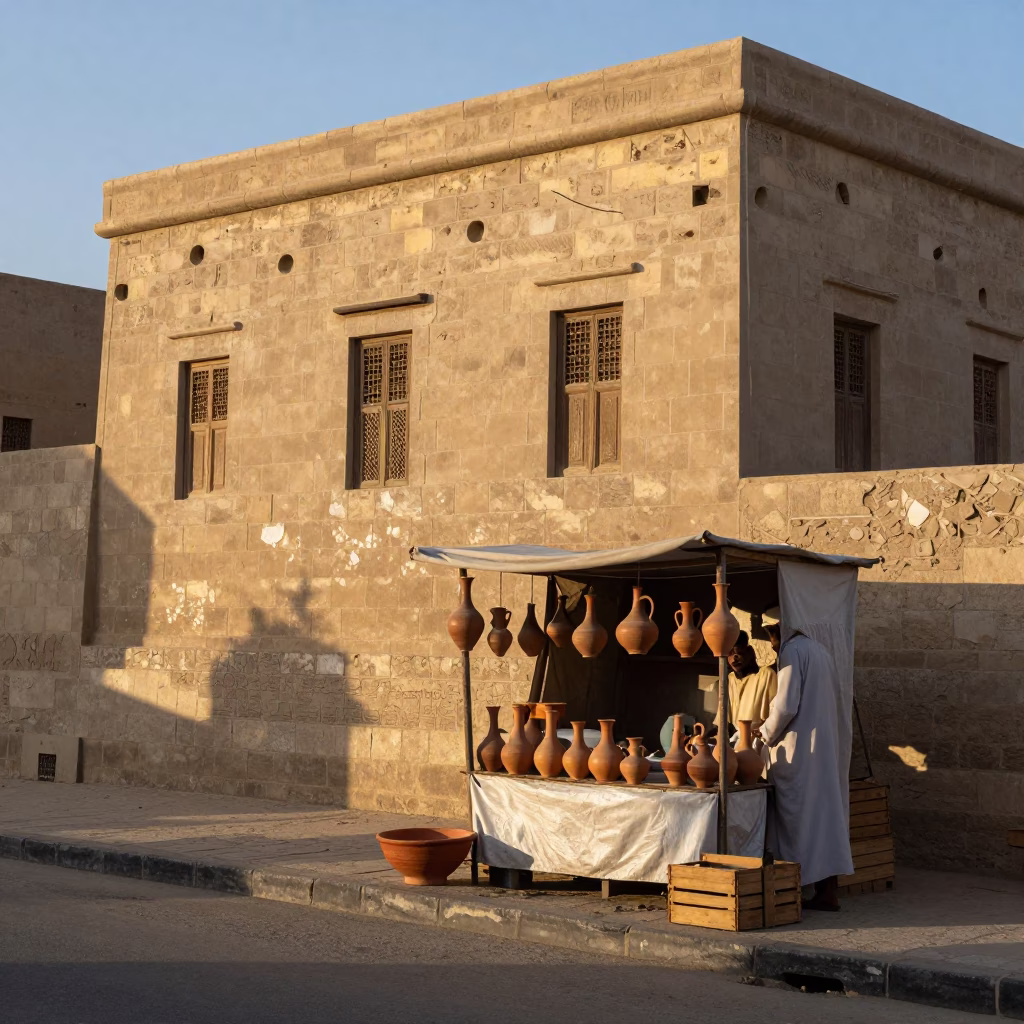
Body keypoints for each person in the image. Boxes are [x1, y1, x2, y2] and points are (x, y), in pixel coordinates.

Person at [754, 625, 854, 911]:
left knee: (796, 821)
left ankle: (792, 888)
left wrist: (764, 733)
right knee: (823, 821)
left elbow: (785, 706)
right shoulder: (820, 650)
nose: (771, 646)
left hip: (799, 752)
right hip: (821, 749)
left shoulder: (792, 651)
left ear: (778, 632)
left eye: (770, 638)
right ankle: (826, 891)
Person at [713, 631, 777, 733]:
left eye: (740, 653)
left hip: (761, 739)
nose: (734, 659)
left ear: (750, 652)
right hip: (736, 741)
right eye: (730, 654)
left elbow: (776, 715)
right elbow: (723, 723)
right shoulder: (729, 679)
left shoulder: (766, 675)